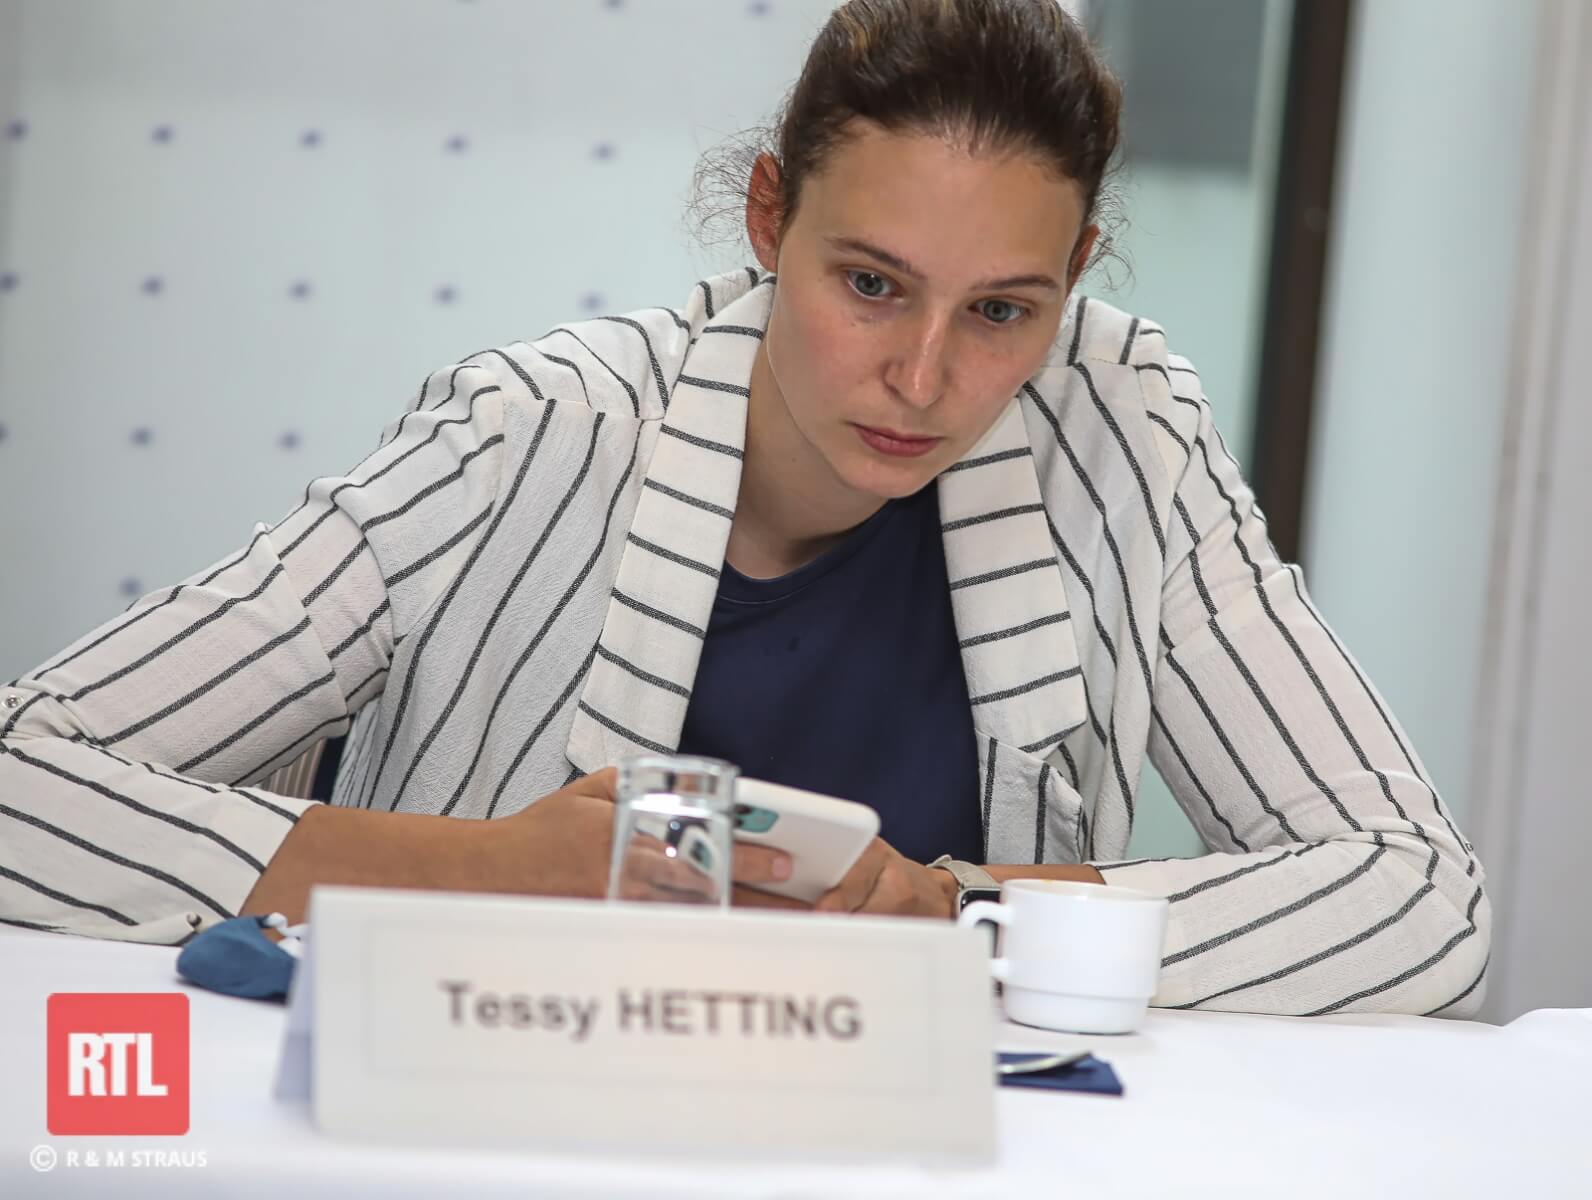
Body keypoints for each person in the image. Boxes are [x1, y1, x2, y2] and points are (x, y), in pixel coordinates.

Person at [0, 0, 1487, 1018]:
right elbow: (23, 777)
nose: (924, 378)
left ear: (1077, 275)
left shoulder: (1120, 425)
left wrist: (963, 914)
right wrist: (495, 876)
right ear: (770, 217)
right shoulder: (530, 434)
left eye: (1003, 310)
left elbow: (1419, 898)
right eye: (871, 283)